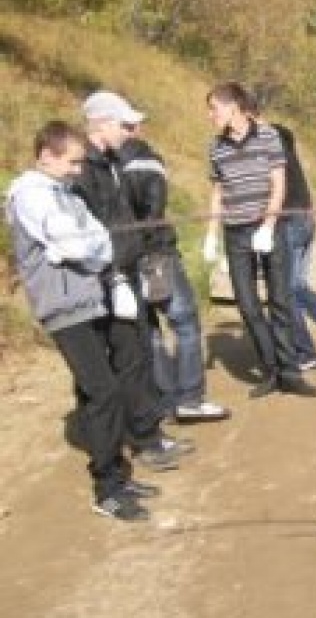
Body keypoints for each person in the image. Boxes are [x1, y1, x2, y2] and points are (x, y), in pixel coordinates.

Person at [5, 120, 160, 521]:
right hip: (62, 308)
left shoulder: (66, 192)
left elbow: (96, 244)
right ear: (46, 156)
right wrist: (78, 247)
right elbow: (71, 243)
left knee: (93, 392)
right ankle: (107, 487)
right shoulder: (31, 195)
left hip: (88, 299)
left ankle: (118, 477)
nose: (79, 170)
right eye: (72, 162)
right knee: (105, 390)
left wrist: (83, 248)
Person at [78, 91, 189, 471]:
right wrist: (111, 277)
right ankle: (139, 441)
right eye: (124, 125)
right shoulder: (83, 169)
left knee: (138, 354)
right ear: (102, 123)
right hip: (106, 281)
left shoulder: (112, 161)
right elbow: (90, 229)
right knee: (126, 360)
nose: (131, 131)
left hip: (128, 270)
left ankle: (148, 433)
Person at [202, 82, 316, 399]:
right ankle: (271, 371)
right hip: (236, 234)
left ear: (234, 107)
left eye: (214, 108)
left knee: (280, 302)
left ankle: (291, 372)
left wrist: (268, 226)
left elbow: (278, 183)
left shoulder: (269, 136)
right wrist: (212, 235)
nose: (210, 115)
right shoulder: (216, 147)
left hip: (271, 229)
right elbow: (218, 192)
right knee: (248, 305)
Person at [117, 119, 231, 423]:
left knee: (149, 328)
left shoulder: (95, 163)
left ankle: (165, 400)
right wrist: (152, 246)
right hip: (152, 254)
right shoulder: (141, 157)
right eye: (134, 124)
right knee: (184, 322)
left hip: (119, 259)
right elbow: (153, 207)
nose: (139, 128)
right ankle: (190, 398)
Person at [243, 101, 316, 370]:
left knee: (286, 289)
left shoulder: (263, 140)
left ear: (247, 114)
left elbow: (268, 186)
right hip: (305, 217)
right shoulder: (281, 133)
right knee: (295, 287)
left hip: (289, 222)